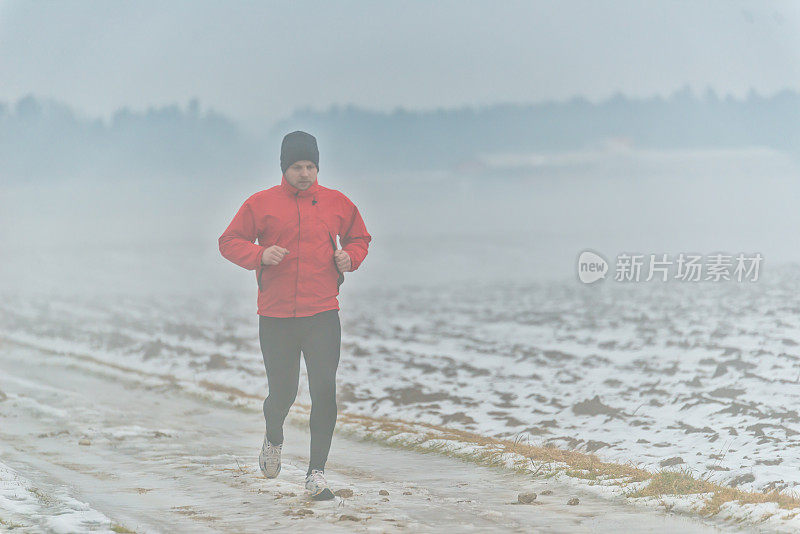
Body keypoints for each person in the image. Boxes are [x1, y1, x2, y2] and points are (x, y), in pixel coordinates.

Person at [218, 131, 371, 500]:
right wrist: (259, 254)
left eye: (311, 166)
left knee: (325, 392)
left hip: (322, 313)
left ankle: (316, 474)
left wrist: (350, 258)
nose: (305, 173)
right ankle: (274, 437)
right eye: (297, 166)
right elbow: (229, 241)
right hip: (277, 317)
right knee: (283, 393)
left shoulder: (336, 202)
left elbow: (360, 238)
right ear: (284, 168)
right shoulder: (262, 203)